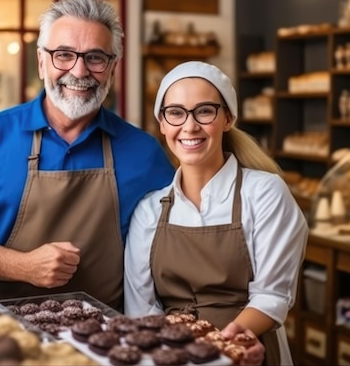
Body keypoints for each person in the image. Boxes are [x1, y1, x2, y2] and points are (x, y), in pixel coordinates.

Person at [0, 0, 175, 311]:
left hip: (111, 338)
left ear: (112, 68)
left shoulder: (144, 152)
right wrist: (24, 266)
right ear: (41, 61)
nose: (78, 71)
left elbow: (173, 244)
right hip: (4, 331)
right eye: (64, 55)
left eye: (95, 58)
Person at [124, 61, 309, 365]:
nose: (189, 125)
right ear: (162, 123)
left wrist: (222, 346)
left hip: (249, 349)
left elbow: (272, 296)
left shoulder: (265, 193)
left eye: (205, 111)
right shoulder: (149, 210)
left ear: (228, 118)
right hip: (173, 355)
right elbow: (142, 309)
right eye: (176, 113)